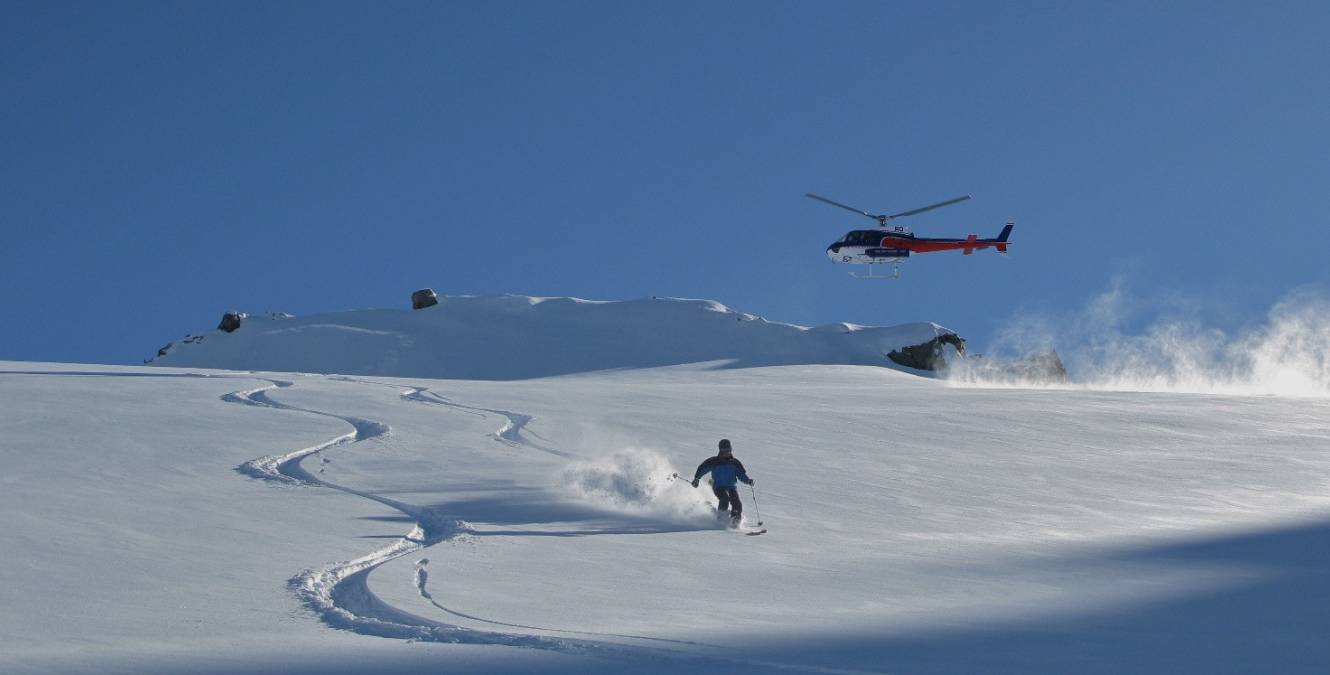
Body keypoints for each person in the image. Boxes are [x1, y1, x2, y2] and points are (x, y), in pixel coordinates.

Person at [692, 438, 754, 526]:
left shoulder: (735, 463)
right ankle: (721, 518)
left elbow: (741, 475)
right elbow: (702, 469)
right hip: (718, 487)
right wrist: (696, 479)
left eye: (728, 450)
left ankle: (735, 521)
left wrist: (748, 481)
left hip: (731, 487)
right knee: (725, 499)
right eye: (724, 450)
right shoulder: (714, 461)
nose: (727, 452)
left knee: (737, 503)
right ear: (720, 450)